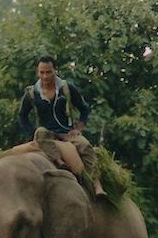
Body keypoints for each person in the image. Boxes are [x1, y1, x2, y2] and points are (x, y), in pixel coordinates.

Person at [16, 55, 102, 197]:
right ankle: (58, 160)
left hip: (66, 133)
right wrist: (31, 134)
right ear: (37, 72)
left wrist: (79, 129)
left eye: (48, 72)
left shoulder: (66, 88)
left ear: (55, 71)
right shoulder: (32, 93)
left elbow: (84, 108)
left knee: (85, 145)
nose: (45, 76)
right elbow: (22, 115)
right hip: (46, 135)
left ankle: (97, 183)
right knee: (41, 131)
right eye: (41, 72)